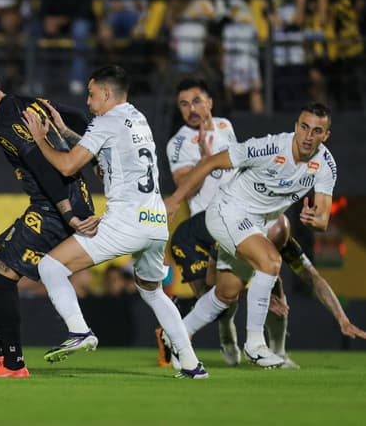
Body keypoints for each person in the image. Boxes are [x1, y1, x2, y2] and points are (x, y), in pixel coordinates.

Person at [21, 65, 207, 378]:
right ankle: (191, 363)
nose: (89, 103)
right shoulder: (137, 118)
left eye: (92, 96)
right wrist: (66, 133)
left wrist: (41, 140)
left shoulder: (106, 121)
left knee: (50, 267)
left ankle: (80, 331)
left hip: (127, 221)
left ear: (107, 94)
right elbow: (104, 163)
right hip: (155, 221)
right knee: (152, 291)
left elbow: (68, 167)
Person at [163, 102, 339, 367]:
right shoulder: (269, 147)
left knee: (226, 293)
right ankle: (255, 345)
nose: (308, 135)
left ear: (326, 135)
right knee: (270, 261)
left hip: (253, 225)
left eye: (317, 131)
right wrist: (176, 199)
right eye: (304, 127)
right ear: (296, 126)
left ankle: (175, 336)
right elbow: (212, 161)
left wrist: (314, 220)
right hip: (226, 210)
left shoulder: (326, 165)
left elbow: (323, 218)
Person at [0, 64, 97, 378]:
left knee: (1, 277)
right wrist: (93, 156)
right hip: (59, 200)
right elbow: (80, 119)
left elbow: (42, 168)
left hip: (54, 207)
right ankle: (0, 352)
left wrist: (68, 213)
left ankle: (13, 364)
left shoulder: (5, 124)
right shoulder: (30, 103)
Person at [163, 78, 239, 364]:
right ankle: (221, 332)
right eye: (184, 104)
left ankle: (235, 334)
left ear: (210, 103)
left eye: (196, 101)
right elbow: (185, 187)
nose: (190, 109)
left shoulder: (225, 127)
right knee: (207, 292)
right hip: (205, 223)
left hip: (236, 214)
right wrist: (206, 161)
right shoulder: (179, 143)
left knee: (225, 289)